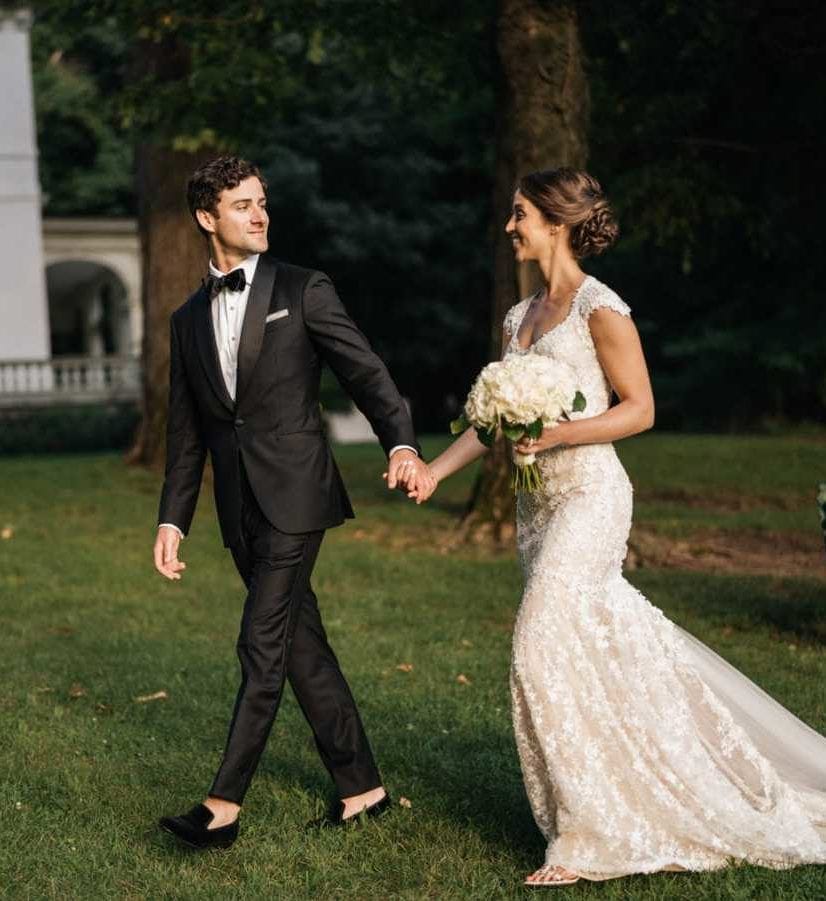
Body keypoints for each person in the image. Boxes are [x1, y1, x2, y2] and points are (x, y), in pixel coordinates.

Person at [408, 168, 826, 886]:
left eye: (519, 215)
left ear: (556, 222)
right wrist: (434, 472)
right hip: (538, 509)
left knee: (539, 640)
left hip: (593, 497)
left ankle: (590, 831)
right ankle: (646, 781)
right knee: (605, 647)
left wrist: (563, 432)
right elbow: (490, 421)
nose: (510, 227)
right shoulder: (519, 318)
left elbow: (640, 408)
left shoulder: (599, 306)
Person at [153, 156, 433, 849]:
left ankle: (222, 805)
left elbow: (366, 371)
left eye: (263, 202)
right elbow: (188, 433)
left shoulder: (303, 288)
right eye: (243, 204)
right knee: (301, 645)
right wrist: (171, 518)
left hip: (299, 493)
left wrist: (399, 442)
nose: (259, 214)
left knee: (261, 642)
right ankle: (362, 788)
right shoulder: (186, 319)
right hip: (237, 508)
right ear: (206, 216)